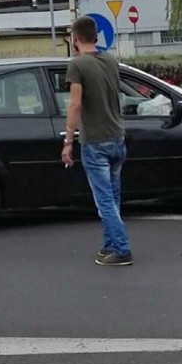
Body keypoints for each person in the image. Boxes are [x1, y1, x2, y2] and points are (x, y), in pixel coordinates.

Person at [61, 17, 132, 266]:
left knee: (104, 200)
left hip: (95, 141)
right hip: (116, 137)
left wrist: (68, 140)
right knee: (113, 197)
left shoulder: (78, 65)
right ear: (97, 36)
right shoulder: (111, 60)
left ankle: (122, 249)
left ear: (75, 38)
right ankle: (109, 244)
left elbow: (75, 103)